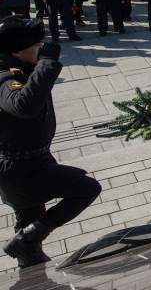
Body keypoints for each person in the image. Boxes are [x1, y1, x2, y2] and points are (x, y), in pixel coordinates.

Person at [0, 17, 101, 267]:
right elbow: (24, 105)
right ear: (17, 51)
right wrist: (46, 63)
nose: (41, 48)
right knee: (87, 188)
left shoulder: (21, 67)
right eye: (37, 45)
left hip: (32, 162)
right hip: (20, 169)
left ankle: (30, 262)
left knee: (29, 230)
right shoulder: (5, 78)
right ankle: (26, 246)